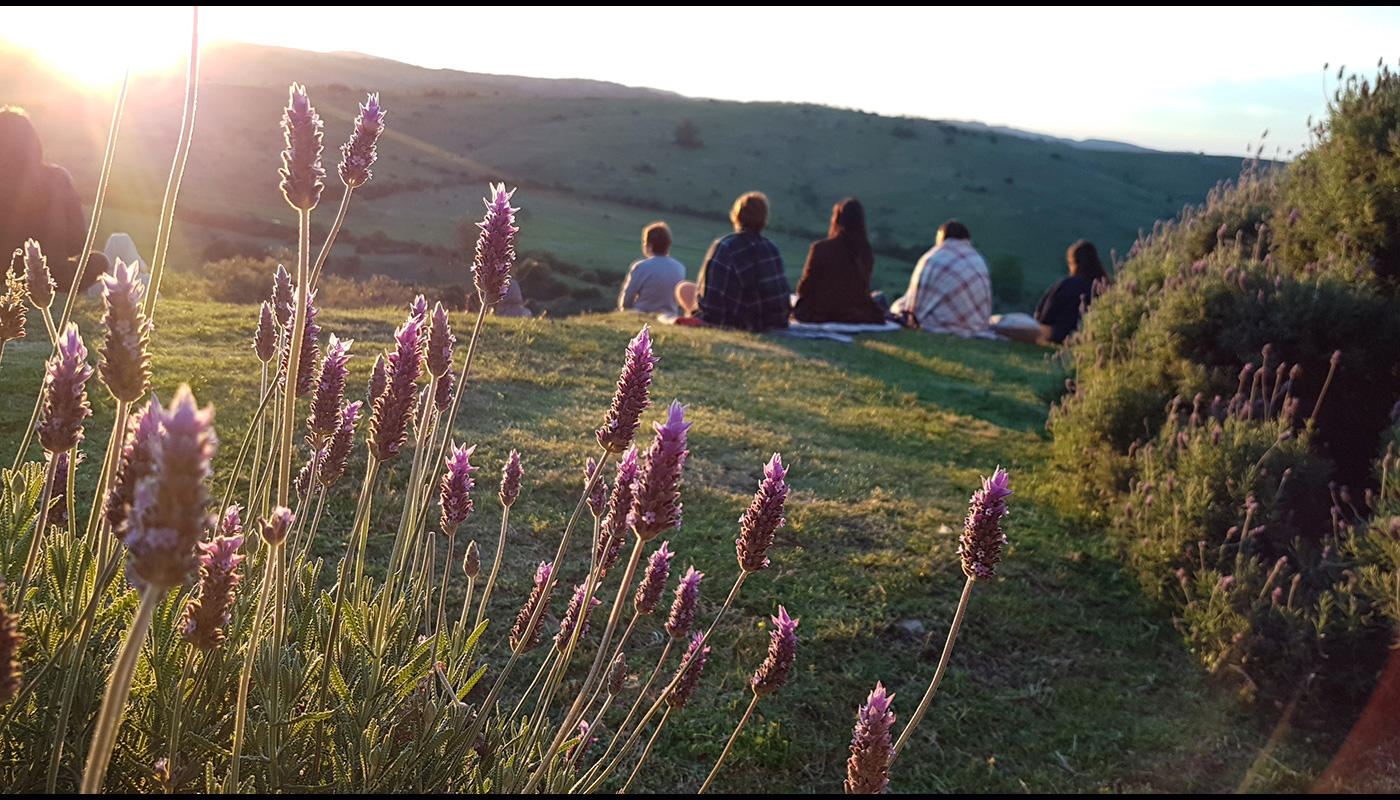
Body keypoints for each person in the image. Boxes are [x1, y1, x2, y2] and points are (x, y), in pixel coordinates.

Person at [0, 106, 98, 293]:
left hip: (4, 276)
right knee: (100, 261)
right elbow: (77, 242)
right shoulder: (57, 179)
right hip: (55, 279)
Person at [676, 191, 790, 332]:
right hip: (773, 321)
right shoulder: (772, 249)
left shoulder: (726, 246)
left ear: (736, 216)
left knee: (683, 289)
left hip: (735, 321)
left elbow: (710, 302)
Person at [890, 220, 992, 337]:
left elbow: (916, 305)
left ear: (941, 237)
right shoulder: (978, 259)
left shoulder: (932, 257)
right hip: (977, 326)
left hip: (938, 323)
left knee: (897, 306)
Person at [792, 198, 885, 324]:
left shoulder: (820, 248)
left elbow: (805, 288)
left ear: (837, 220)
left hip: (821, 311)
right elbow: (862, 291)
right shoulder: (865, 252)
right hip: (855, 312)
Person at [1032, 239, 1107, 344]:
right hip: (1094, 337)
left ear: (1073, 263)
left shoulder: (1067, 285)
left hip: (1059, 335)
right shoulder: (1106, 287)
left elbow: (1045, 315)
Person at [618, 222, 686, 315]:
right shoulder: (680, 267)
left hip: (642, 314)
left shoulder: (641, 266)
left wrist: (626, 312)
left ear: (648, 244)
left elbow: (627, 298)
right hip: (669, 315)